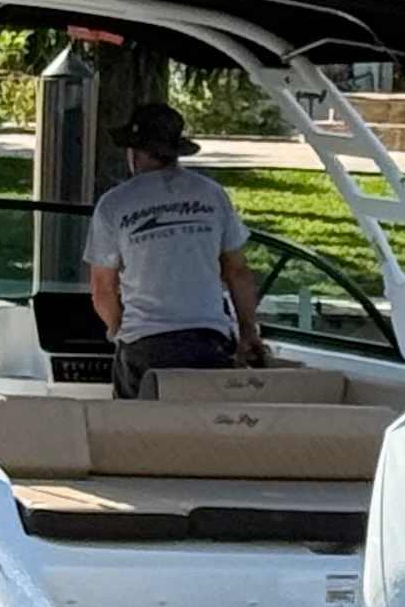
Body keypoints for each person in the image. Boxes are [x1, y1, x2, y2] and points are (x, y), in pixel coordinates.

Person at [84, 98, 272, 396]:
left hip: (144, 345)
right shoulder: (212, 195)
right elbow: (238, 271)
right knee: (204, 434)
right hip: (208, 342)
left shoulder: (115, 204)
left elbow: (101, 286)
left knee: (134, 437)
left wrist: (117, 328)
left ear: (136, 152)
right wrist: (248, 331)